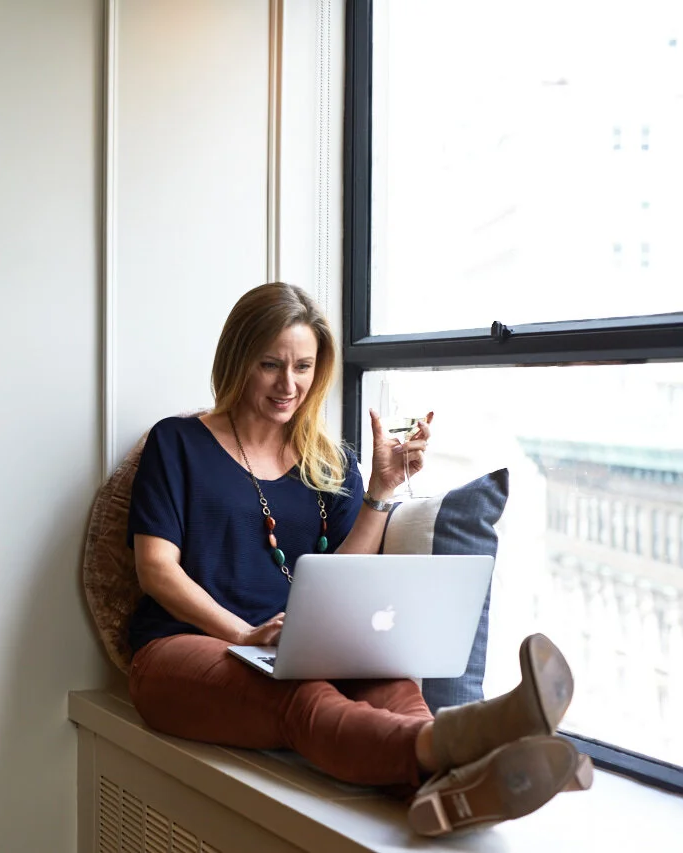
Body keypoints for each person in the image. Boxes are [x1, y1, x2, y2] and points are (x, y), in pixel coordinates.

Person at [126, 282, 590, 836]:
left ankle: (462, 790)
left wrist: (381, 490)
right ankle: (483, 742)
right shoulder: (177, 442)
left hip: (297, 649)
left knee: (394, 686)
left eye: (303, 366)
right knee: (302, 696)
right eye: (270, 364)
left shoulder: (330, 462)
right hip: (184, 649)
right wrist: (245, 635)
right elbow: (156, 569)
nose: (288, 384)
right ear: (237, 360)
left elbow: (344, 575)